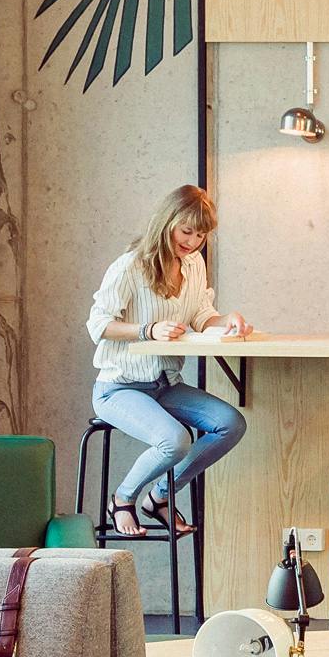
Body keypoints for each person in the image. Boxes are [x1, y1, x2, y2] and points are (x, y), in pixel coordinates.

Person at [87, 184, 250, 537]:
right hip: (118, 388)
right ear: (167, 222)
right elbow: (98, 325)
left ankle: (160, 496)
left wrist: (229, 320)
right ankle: (123, 499)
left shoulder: (193, 264)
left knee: (230, 424)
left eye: (201, 235)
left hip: (165, 385)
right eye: (186, 231)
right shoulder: (131, 266)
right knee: (175, 440)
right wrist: (148, 330)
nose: (193, 242)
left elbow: (201, 316)